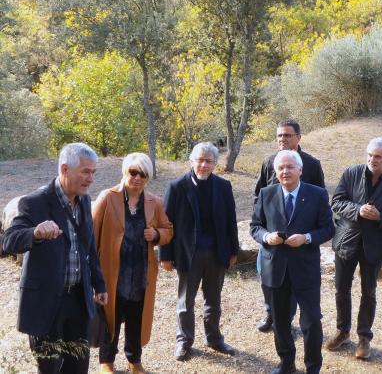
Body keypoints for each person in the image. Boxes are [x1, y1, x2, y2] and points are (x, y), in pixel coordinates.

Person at [2, 143, 107, 374]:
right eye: (85, 171)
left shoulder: (84, 201)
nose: (91, 178)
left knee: (78, 367)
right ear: (64, 169)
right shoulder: (34, 202)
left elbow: (88, 247)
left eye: (93, 172)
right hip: (46, 303)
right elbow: (8, 241)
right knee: (49, 367)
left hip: (78, 301)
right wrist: (35, 233)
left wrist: (99, 284)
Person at [250, 150, 334, 374]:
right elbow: (255, 227)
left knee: (312, 321)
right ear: (276, 172)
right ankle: (286, 363)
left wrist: (307, 238)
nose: (285, 171)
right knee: (280, 322)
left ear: (300, 170)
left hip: (305, 269)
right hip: (275, 268)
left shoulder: (316, 194)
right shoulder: (267, 194)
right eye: (281, 168)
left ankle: (312, 367)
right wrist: (267, 237)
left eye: (289, 167)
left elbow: (328, 228)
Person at [326, 137, 382, 360]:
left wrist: (380, 216)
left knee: (368, 292)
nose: (372, 159)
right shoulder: (351, 172)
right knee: (341, 289)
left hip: (375, 244)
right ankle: (342, 331)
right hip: (347, 240)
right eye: (369, 155)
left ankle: (364, 338)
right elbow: (337, 202)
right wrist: (358, 210)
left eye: (378, 156)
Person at [93, 153, 173, 374]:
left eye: (143, 174)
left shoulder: (154, 202)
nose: (137, 178)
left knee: (137, 319)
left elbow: (169, 230)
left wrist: (156, 234)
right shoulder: (107, 198)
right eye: (133, 172)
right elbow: (90, 236)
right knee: (112, 318)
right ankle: (106, 362)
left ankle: (134, 361)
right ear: (125, 172)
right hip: (112, 273)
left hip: (141, 274)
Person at [159, 142, 240, 362]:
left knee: (214, 300)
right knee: (186, 301)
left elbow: (231, 221)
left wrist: (234, 250)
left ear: (215, 164)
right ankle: (184, 341)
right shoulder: (177, 187)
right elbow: (166, 224)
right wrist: (164, 255)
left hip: (216, 253)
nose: (204, 165)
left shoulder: (223, 187)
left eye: (209, 161)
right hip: (188, 253)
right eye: (200, 160)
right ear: (192, 161)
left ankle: (214, 338)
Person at [254, 119, 325, 332]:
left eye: (287, 135)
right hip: (272, 236)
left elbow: (320, 199)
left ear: (298, 138)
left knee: (296, 281)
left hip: (300, 239)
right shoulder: (269, 162)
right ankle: (271, 313)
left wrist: (308, 235)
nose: (282, 139)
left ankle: (291, 319)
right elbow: (258, 193)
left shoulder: (311, 164)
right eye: (279, 136)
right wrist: (264, 230)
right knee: (267, 275)